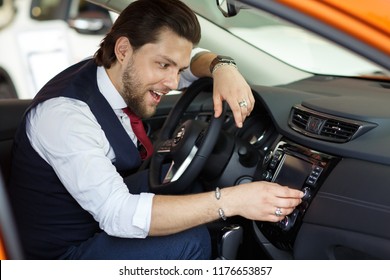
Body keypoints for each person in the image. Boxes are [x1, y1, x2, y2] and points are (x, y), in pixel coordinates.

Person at [8, 0, 303, 260]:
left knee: (187, 187)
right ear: (123, 49)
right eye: (163, 65)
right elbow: (119, 215)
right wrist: (236, 201)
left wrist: (221, 66)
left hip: (88, 220)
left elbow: (190, 62)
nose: (174, 82)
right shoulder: (66, 116)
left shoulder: (110, 71)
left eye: (177, 68)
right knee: (191, 242)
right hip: (63, 257)